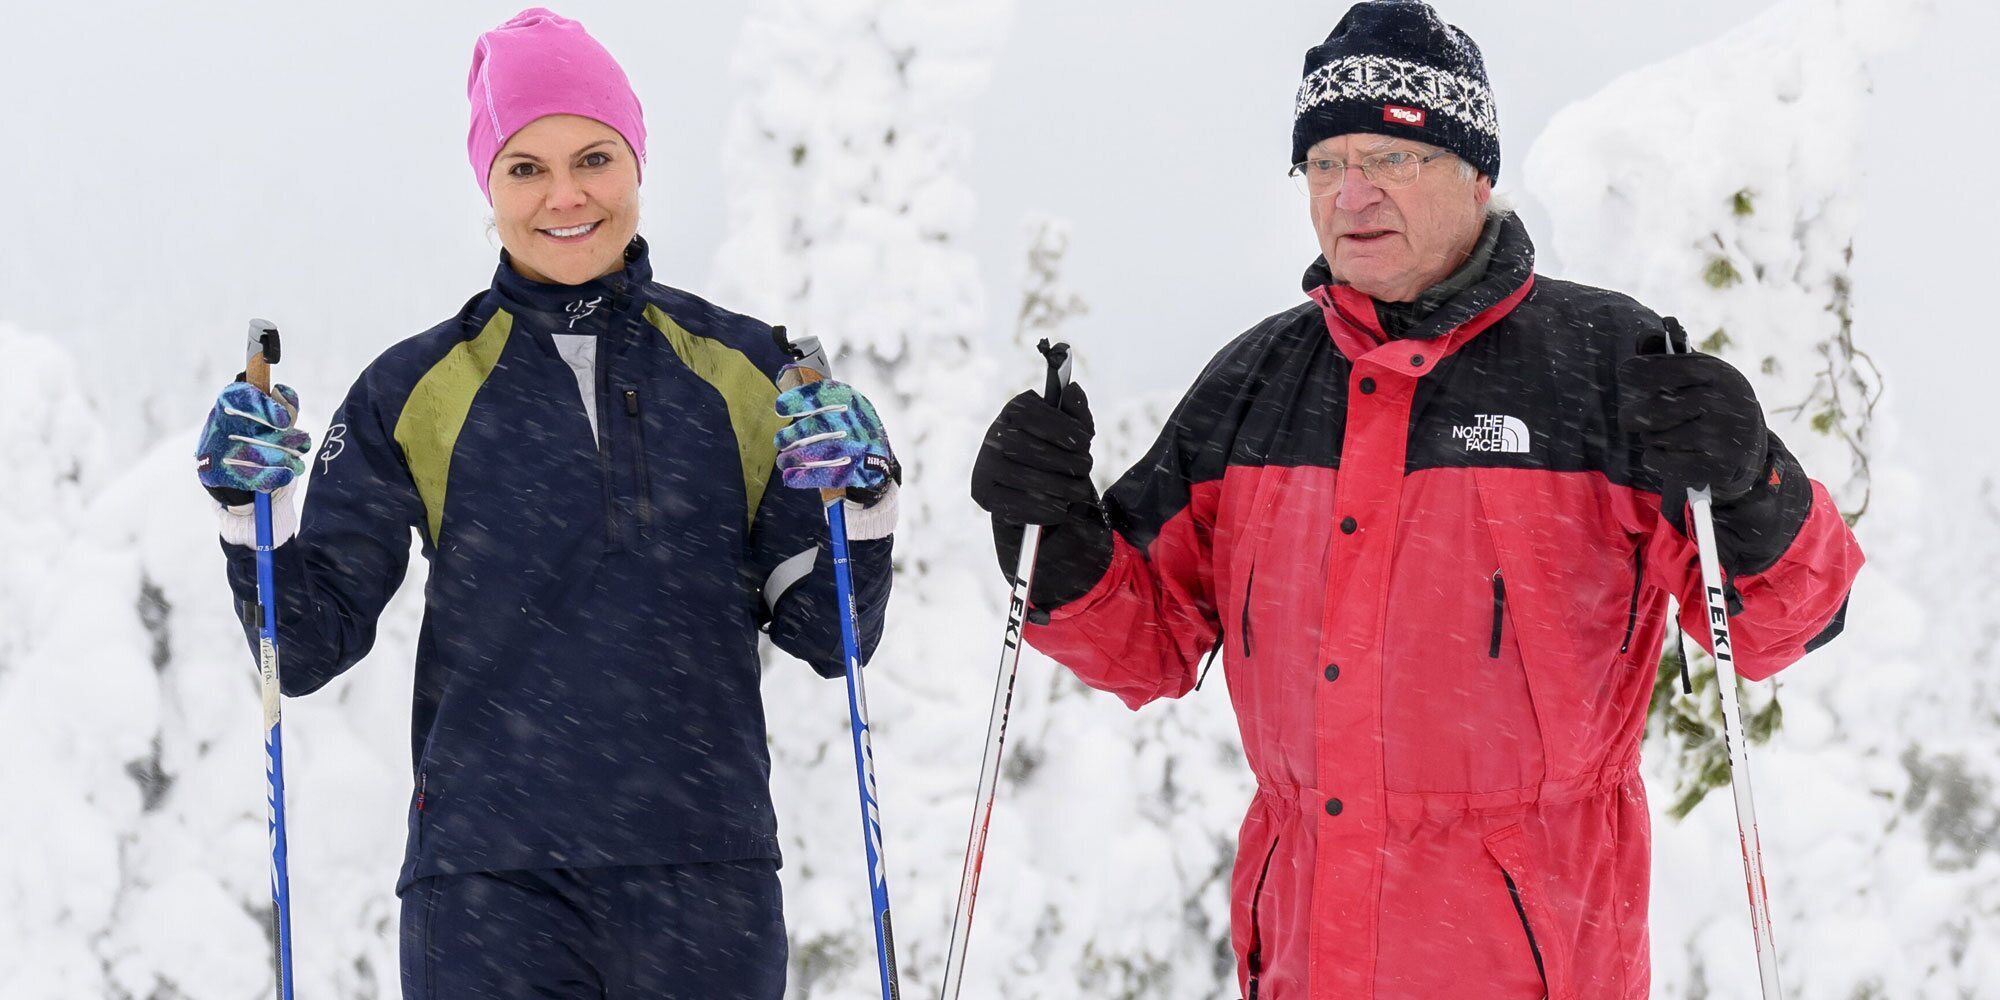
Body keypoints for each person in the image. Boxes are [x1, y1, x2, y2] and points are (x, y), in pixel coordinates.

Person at [969, 2, 1863, 997]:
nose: (1350, 193)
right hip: (1303, 962)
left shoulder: (1604, 367)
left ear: (1476, 173)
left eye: (1391, 159)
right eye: (1323, 163)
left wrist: (1749, 484)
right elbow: (1147, 638)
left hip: (1532, 965)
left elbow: (1788, 619)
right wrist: (1044, 532)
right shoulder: (1253, 387)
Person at [193, 9, 899, 998]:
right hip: (487, 888)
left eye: (594, 158)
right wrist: (242, 509)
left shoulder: (747, 372)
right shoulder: (415, 390)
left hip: (705, 877)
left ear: (637, 162)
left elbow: (832, 634)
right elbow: (302, 649)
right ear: (487, 185)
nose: (565, 195)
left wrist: (859, 499)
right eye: (526, 167)